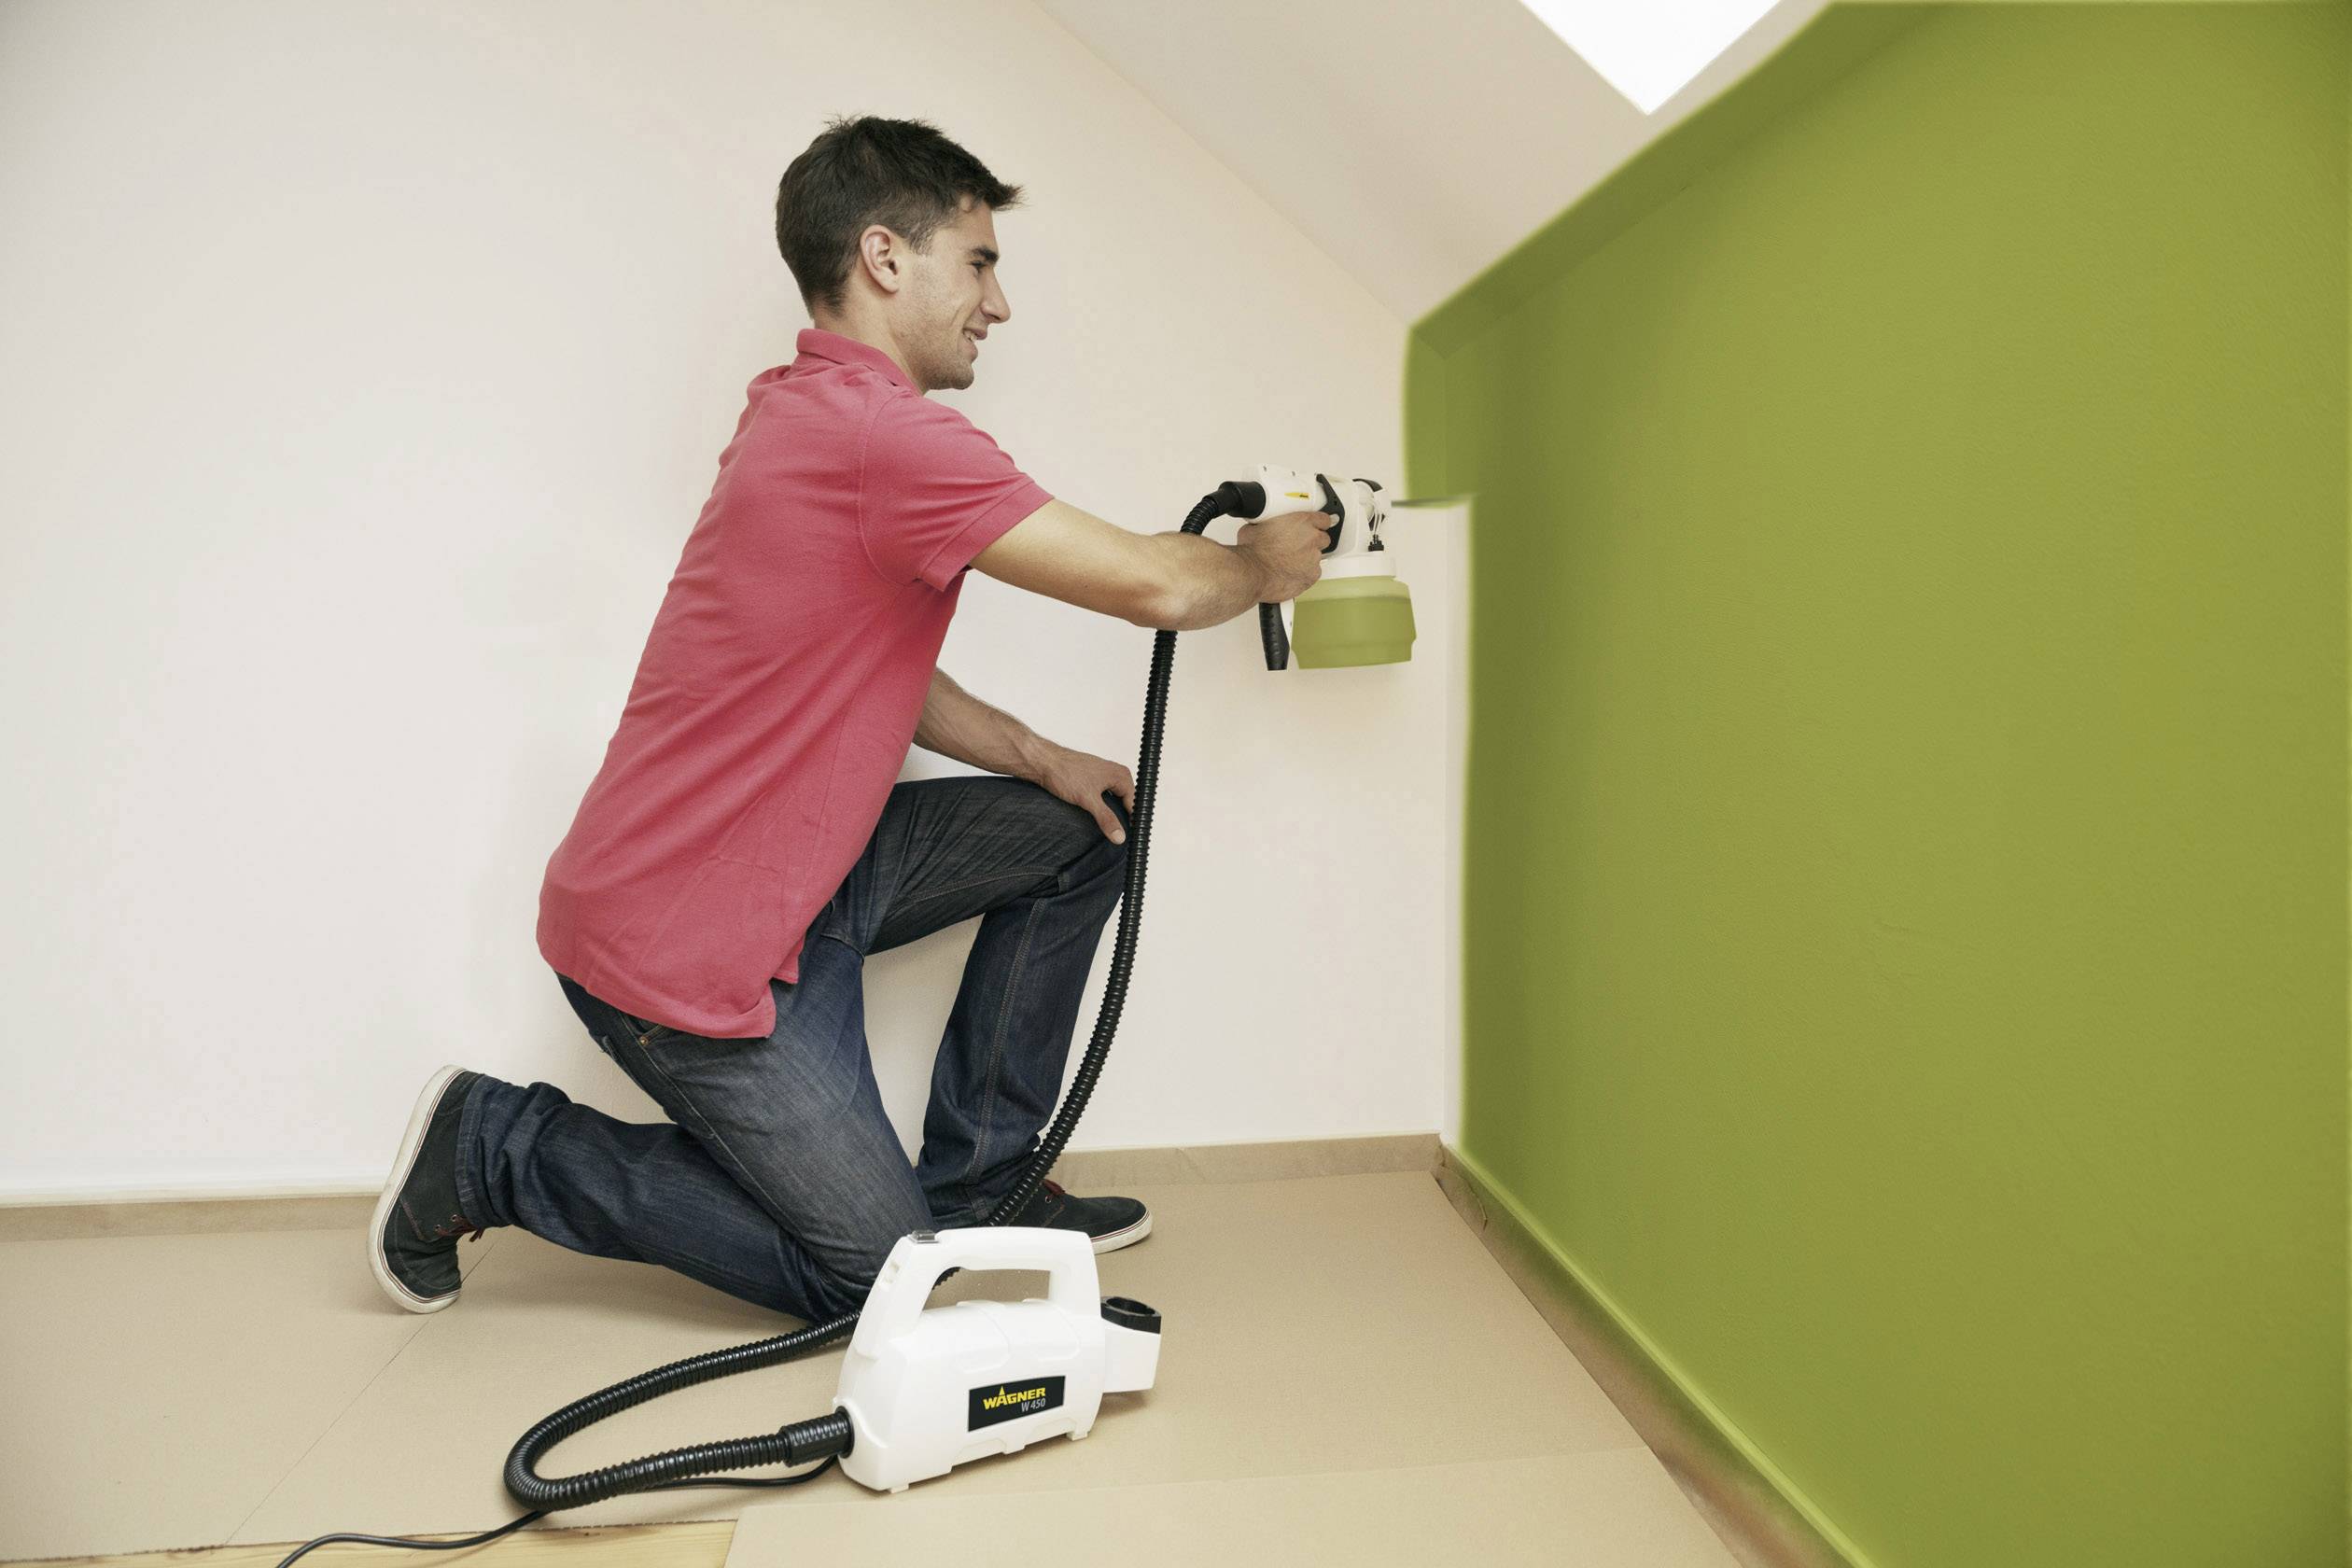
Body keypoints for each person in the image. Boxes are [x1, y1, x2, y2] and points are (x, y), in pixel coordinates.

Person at [366, 114, 1334, 1323]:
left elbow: (860, 660)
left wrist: (1041, 759)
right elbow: (1158, 584)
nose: (999, 303)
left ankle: (985, 1180)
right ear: (886, 258)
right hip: (687, 942)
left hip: (802, 882)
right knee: (875, 1285)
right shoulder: (885, 438)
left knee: (1088, 829)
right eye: (979, 262)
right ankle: (498, 1148)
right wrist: (1262, 564)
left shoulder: (802, 410)